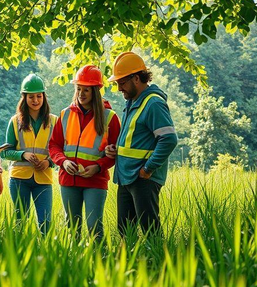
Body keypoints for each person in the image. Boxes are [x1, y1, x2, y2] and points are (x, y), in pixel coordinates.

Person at [105, 51, 177, 237]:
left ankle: (158, 264)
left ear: (136, 78)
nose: (119, 88)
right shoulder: (133, 101)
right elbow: (135, 137)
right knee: (125, 232)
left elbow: (169, 139)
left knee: (150, 231)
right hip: (127, 176)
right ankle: (127, 265)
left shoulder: (153, 103)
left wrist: (148, 168)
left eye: (122, 83)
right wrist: (116, 149)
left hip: (143, 178)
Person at [49, 65, 120, 241]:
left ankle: (100, 261)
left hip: (95, 180)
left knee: (93, 224)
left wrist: (98, 166)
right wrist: (63, 162)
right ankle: (74, 264)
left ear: (95, 91)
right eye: (78, 89)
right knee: (72, 226)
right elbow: (53, 145)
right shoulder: (65, 114)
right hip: (68, 179)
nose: (81, 93)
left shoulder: (110, 117)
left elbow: (115, 153)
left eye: (86, 90)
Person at [1, 74, 57, 234]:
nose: (35, 100)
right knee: (20, 223)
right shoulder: (14, 121)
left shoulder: (54, 121)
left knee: (46, 223)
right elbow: (5, 153)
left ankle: (45, 255)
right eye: (31, 96)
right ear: (24, 98)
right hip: (19, 179)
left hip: (44, 178)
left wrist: (49, 162)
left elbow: (60, 150)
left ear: (44, 97)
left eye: (39, 96)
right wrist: (23, 155)